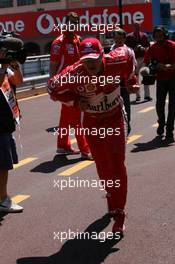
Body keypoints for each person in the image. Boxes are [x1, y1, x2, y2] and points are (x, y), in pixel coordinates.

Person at [48, 38, 136, 235]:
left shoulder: (117, 60)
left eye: (94, 59)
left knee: (117, 163)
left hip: (114, 119)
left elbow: (130, 57)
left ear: (102, 55)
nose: (91, 64)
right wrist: (76, 103)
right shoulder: (73, 73)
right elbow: (51, 88)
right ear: (80, 59)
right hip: (92, 122)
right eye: (86, 60)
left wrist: (131, 81)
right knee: (103, 166)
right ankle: (111, 194)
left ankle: (119, 212)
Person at [50, 12, 91, 159]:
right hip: (64, 86)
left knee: (66, 118)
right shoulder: (58, 43)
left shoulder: (78, 40)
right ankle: (86, 150)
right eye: (71, 22)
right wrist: (52, 88)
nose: (73, 25)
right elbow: (53, 66)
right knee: (78, 117)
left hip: (77, 84)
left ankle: (63, 146)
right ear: (65, 24)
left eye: (76, 23)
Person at [0, 50, 23, 213]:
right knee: (2, 165)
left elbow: (18, 81)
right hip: (0, 126)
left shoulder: (5, 68)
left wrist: (14, 63)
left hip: (5, 124)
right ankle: (3, 200)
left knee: (4, 164)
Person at [143, 26, 175, 142]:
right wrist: (154, 66)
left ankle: (170, 131)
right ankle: (161, 122)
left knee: (172, 107)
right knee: (159, 105)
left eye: (160, 34)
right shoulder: (152, 47)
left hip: (173, 79)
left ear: (165, 34)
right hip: (161, 80)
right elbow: (146, 63)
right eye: (156, 34)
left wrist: (169, 66)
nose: (158, 36)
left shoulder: (172, 45)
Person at [110, 28, 138, 135]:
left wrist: (131, 79)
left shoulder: (129, 51)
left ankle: (127, 125)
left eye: (120, 39)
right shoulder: (110, 50)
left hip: (124, 84)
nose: (118, 41)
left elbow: (134, 66)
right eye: (116, 38)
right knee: (113, 107)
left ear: (124, 39)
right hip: (112, 84)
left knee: (126, 106)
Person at [125, 22, 152, 101]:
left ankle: (147, 95)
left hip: (143, 58)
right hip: (135, 59)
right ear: (133, 27)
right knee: (136, 78)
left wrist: (143, 48)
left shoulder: (144, 35)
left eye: (138, 26)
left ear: (140, 27)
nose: (137, 27)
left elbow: (148, 46)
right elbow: (126, 48)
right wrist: (134, 49)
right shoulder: (129, 36)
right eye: (135, 26)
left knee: (146, 76)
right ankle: (138, 96)